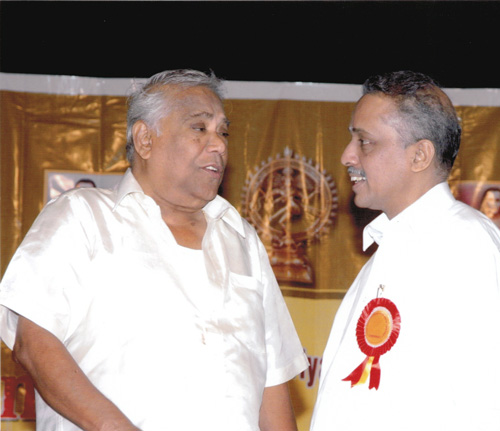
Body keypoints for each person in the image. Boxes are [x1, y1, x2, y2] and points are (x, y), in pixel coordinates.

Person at [0, 69, 308, 431]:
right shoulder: (82, 217)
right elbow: (34, 344)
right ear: (145, 139)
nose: (220, 145)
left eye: (223, 132)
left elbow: (272, 386)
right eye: (199, 128)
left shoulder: (242, 240)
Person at [310, 71, 500, 430]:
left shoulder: (467, 244)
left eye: (365, 142)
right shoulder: (389, 248)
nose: (347, 156)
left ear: (420, 155)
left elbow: (486, 408)